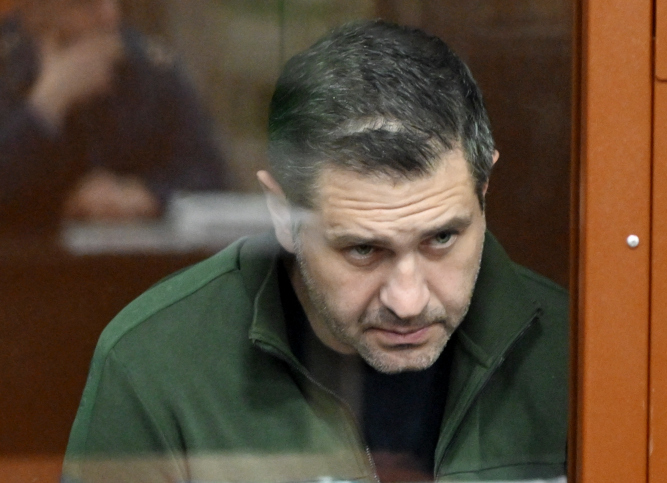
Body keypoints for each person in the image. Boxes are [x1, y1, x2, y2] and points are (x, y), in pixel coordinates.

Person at [62, 20, 569, 483]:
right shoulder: (156, 364)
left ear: (484, 192)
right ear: (283, 217)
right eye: (364, 249)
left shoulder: (572, 349)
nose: (408, 301)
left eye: (441, 239)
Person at [0, 0, 226, 236]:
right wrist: (48, 103)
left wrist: (148, 195)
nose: (109, 16)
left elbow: (211, 176)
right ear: (36, 13)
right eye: (84, 5)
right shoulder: (7, 69)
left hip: (136, 254)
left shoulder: (149, 69)